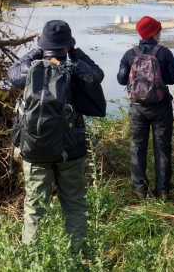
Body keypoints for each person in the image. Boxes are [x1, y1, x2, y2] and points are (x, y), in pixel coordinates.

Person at [7, 20, 106, 254]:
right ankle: (78, 255)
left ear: (44, 44)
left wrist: (36, 51)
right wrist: (76, 51)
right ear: (68, 45)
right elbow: (98, 75)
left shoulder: (31, 70)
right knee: (74, 204)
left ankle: (33, 260)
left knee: (34, 208)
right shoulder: (77, 68)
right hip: (70, 148)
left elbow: (11, 75)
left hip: (34, 147)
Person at [116, 16, 174, 200]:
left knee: (137, 146)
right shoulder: (164, 52)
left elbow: (120, 80)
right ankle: (163, 190)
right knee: (162, 147)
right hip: (161, 107)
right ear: (154, 33)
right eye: (159, 30)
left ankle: (139, 190)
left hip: (137, 108)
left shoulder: (130, 54)